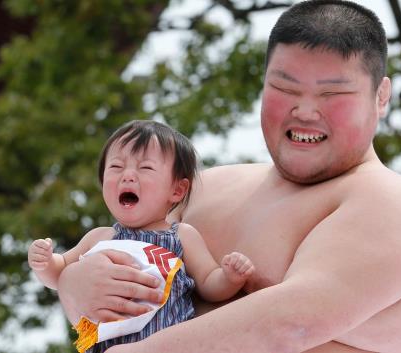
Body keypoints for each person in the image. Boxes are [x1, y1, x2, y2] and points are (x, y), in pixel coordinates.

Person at [57, 1, 401, 352]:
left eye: (332, 94)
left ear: (381, 95)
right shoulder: (208, 187)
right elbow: (120, 304)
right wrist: (72, 287)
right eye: (285, 87)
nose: (305, 111)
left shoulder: (390, 203)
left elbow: (291, 322)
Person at [27, 120, 254, 353]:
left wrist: (230, 278)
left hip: (166, 344)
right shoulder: (100, 237)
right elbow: (59, 275)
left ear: (177, 190)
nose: (127, 176)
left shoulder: (181, 236)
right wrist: (45, 262)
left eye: (145, 168)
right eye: (116, 167)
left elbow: (208, 283)